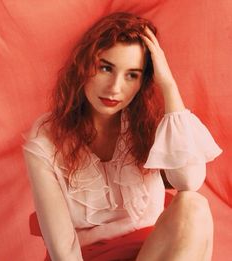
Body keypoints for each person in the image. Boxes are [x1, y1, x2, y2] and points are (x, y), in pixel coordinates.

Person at [22, 12, 222, 261]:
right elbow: (63, 250)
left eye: (132, 75)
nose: (115, 87)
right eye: (106, 68)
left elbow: (189, 181)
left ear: (143, 81)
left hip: (156, 252)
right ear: (84, 67)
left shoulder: (150, 123)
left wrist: (168, 85)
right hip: (87, 256)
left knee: (194, 205)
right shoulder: (48, 136)